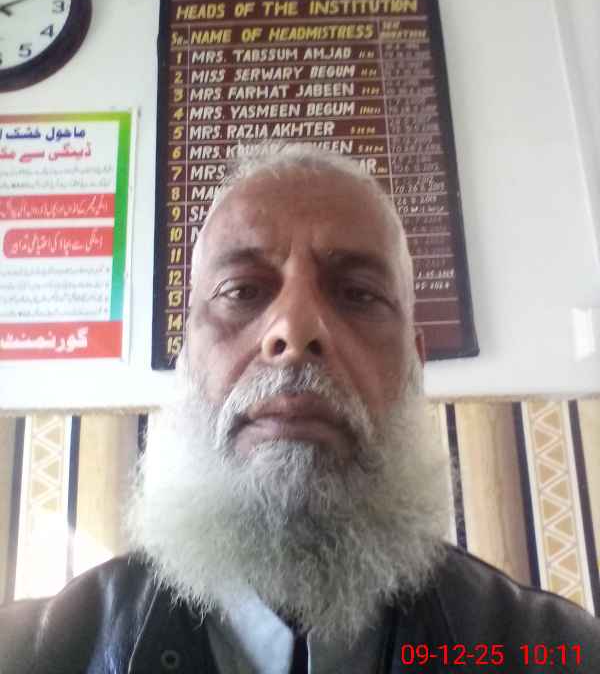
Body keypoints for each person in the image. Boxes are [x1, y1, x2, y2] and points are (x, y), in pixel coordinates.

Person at [1, 144, 599, 674]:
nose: (294, 329)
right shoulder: (30, 654)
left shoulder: (561, 653)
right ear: (186, 360)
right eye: (242, 291)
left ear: (414, 368)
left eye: (358, 294)